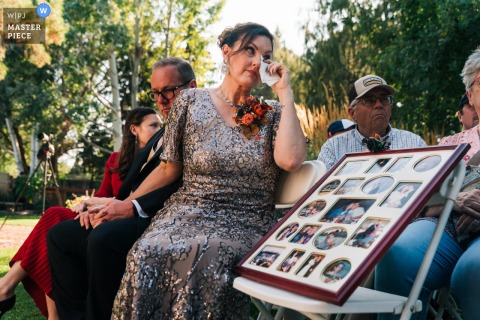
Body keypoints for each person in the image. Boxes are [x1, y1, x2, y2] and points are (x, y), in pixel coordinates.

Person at [110, 22, 306, 319]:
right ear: (227, 53)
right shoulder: (190, 101)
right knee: (146, 252)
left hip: (245, 219)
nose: (257, 62)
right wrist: (125, 204)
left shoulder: (274, 113)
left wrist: (285, 93)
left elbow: (291, 161)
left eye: (265, 56)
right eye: (249, 51)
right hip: (185, 213)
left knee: (206, 255)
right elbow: (168, 169)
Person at [47, 58, 196, 320]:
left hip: (158, 217)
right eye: (156, 93)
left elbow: (180, 184)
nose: (161, 100)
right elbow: (129, 189)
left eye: (169, 91)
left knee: (103, 238)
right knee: (61, 235)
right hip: (128, 208)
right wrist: (102, 206)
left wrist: (130, 207)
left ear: (192, 86)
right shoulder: (160, 135)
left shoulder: (197, 128)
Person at [0, 107, 161, 319]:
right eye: (154, 125)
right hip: (96, 218)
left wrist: (98, 205)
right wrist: (85, 206)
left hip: (120, 223)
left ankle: (6, 289)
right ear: (134, 129)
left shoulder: (158, 162)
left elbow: (129, 203)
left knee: (53, 217)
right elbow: (101, 194)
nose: (161, 129)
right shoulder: (115, 160)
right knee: (54, 221)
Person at [375, 47, 480, 320]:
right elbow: (418, 197)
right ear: (470, 95)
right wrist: (453, 200)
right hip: (446, 224)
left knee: (473, 269)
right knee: (394, 255)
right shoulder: (450, 144)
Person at [317, 75, 427, 170]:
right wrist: (362, 162)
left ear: (391, 107)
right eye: (369, 100)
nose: (379, 105)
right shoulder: (333, 148)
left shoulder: (413, 143)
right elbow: (324, 190)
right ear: (352, 113)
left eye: (384, 99)